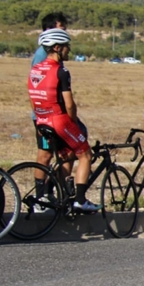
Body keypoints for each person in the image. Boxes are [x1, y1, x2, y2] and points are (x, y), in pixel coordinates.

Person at [27, 29, 100, 213]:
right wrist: (73, 123)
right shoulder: (61, 71)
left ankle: (45, 196)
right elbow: (69, 104)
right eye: (67, 47)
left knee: (61, 155)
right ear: (57, 48)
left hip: (41, 119)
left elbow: (33, 98)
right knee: (85, 155)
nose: (69, 50)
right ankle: (80, 200)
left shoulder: (35, 69)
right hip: (58, 120)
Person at [31, 13, 69, 174]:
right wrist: (40, 116)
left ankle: (57, 190)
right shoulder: (42, 55)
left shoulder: (56, 56)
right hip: (47, 115)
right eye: (62, 29)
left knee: (66, 152)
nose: (66, 33)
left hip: (55, 114)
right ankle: (42, 193)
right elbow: (35, 87)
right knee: (45, 155)